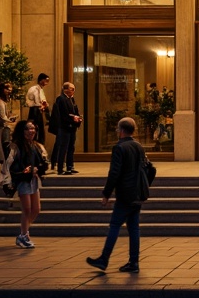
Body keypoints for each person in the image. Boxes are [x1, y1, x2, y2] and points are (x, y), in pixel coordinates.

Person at [86, 116, 149, 273]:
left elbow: (114, 173)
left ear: (121, 131)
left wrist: (106, 193)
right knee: (134, 227)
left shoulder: (119, 148)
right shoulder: (139, 146)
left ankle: (104, 259)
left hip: (125, 193)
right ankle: (134, 262)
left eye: (117, 129)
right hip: (137, 192)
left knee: (115, 225)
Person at [8, 118, 48, 248]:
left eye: (33, 128)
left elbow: (43, 162)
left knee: (36, 209)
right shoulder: (16, 146)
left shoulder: (36, 146)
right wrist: (23, 171)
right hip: (23, 180)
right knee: (27, 208)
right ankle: (24, 235)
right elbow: (11, 164)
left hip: (33, 179)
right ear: (22, 131)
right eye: (27, 128)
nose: (31, 131)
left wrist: (37, 169)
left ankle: (23, 233)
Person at [50, 81, 82, 174]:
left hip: (72, 127)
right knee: (63, 147)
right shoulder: (61, 99)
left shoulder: (71, 99)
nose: (73, 91)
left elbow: (74, 110)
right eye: (72, 89)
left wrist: (78, 117)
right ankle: (60, 168)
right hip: (64, 127)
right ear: (66, 89)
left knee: (71, 147)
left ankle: (70, 166)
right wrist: (73, 118)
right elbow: (63, 114)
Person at [0, 82, 18, 163]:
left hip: (0, 127)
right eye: (7, 89)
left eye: (10, 90)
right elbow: (3, 117)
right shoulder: (0, 102)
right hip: (0, 128)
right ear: (3, 90)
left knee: (2, 149)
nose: (9, 91)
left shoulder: (0, 102)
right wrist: (11, 120)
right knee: (3, 150)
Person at [25, 73, 51, 144]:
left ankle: (39, 144)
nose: (46, 83)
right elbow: (37, 101)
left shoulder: (40, 89)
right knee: (36, 129)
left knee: (39, 129)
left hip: (38, 110)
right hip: (35, 110)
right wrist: (42, 105)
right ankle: (35, 143)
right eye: (45, 80)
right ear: (40, 80)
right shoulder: (35, 89)